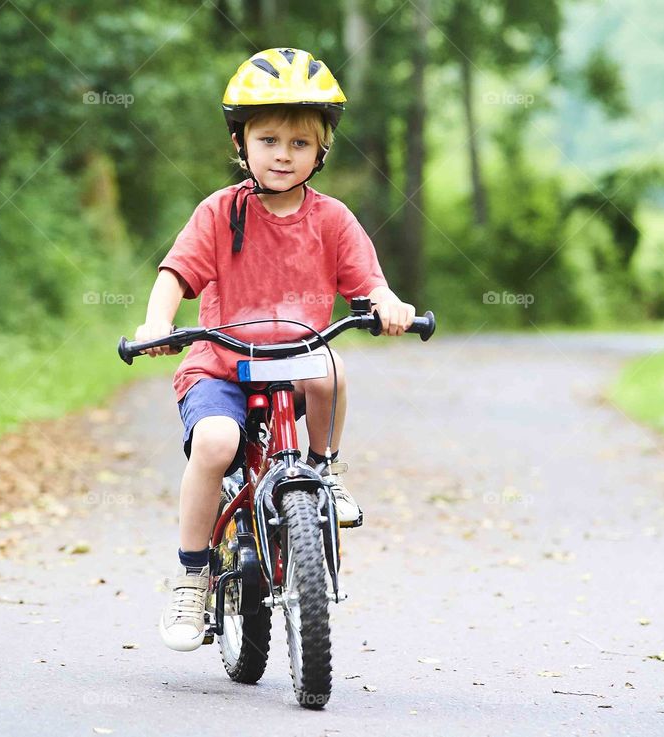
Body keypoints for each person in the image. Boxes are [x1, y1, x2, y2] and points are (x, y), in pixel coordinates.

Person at [133, 48, 416, 652]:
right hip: (221, 365)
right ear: (241, 144)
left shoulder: (332, 220)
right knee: (215, 443)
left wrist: (387, 304)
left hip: (296, 358)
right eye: (268, 139)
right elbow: (176, 274)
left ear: (321, 152)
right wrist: (159, 321)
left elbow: (368, 281)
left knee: (331, 368)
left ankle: (323, 471)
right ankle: (192, 575)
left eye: (299, 142)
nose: (283, 154)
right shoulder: (219, 212)